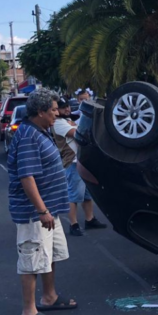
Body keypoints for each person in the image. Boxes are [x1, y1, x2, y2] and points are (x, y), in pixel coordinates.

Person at [8, 89, 76, 315]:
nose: (57, 114)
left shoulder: (41, 130)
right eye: (54, 110)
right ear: (40, 112)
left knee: (50, 255)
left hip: (50, 210)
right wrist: (41, 210)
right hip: (34, 213)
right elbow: (27, 177)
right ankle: (28, 312)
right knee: (32, 259)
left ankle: (49, 297)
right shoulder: (28, 136)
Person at [52, 98, 107, 237]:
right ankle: (73, 224)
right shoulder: (58, 123)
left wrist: (74, 124)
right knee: (74, 195)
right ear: (56, 110)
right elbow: (79, 133)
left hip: (83, 162)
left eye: (68, 106)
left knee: (87, 194)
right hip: (73, 162)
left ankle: (90, 219)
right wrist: (76, 126)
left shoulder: (67, 121)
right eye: (63, 107)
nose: (67, 109)